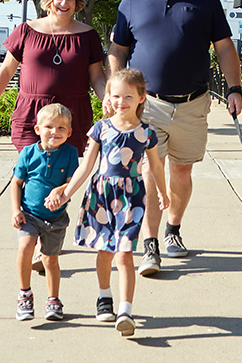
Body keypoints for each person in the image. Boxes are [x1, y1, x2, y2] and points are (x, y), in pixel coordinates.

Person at [107, 0, 242, 277]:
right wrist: (115, 91)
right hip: (147, 105)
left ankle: (173, 229)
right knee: (150, 173)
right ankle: (149, 244)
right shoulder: (133, 0)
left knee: (182, 172)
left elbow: (224, 47)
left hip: (193, 104)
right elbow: (118, 51)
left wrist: (234, 88)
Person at [48, 69, 169, 337]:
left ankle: (125, 311)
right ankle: (104, 298)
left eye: (128, 96)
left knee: (125, 254)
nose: (121, 101)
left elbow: (156, 166)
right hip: (101, 196)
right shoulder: (101, 128)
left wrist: (162, 192)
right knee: (104, 252)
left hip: (131, 199)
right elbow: (86, 166)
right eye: (116, 96)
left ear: (141, 97)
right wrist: (66, 193)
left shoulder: (146, 133)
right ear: (109, 97)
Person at [0, 0, 107, 155]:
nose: (64, 3)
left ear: (77, 2)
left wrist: (109, 102)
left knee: (66, 175)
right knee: (32, 172)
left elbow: (97, 76)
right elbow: (6, 71)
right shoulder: (26, 30)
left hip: (73, 114)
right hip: (31, 113)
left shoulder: (88, 35)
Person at [10, 103, 80, 322]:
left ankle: (53, 299)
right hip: (29, 214)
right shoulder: (28, 153)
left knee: (50, 261)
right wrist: (16, 210)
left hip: (55, 218)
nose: (55, 132)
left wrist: (59, 191)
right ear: (38, 129)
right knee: (25, 246)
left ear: (69, 132)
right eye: (49, 126)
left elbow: (71, 182)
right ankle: (24, 295)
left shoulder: (70, 153)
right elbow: (16, 183)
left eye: (61, 128)